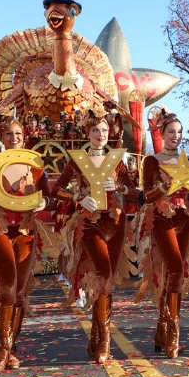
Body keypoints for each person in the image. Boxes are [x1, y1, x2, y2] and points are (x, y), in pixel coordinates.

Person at [0, 118, 55, 370]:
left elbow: (49, 199)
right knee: (7, 286)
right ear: (1, 137)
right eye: (8, 133)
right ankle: (3, 348)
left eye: (18, 133)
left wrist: (43, 204)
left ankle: (11, 347)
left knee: (19, 293)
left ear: (24, 136)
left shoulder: (36, 166)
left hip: (26, 231)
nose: (14, 137)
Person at [53, 108, 136, 363]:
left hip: (116, 222)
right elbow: (56, 189)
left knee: (108, 278)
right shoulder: (76, 159)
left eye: (104, 130)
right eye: (95, 130)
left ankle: (97, 338)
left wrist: (120, 186)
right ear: (87, 133)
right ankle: (105, 343)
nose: (100, 134)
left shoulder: (117, 161)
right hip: (89, 223)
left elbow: (133, 193)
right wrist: (78, 197)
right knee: (103, 273)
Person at [135, 108, 189, 358]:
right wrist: (165, 186)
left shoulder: (188, 162)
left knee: (176, 271)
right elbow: (146, 196)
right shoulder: (152, 161)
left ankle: (162, 332)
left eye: (180, 132)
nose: (177, 136)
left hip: (184, 219)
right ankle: (173, 335)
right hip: (161, 219)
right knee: (173, 268)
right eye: (172, 131)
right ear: (162, 134)